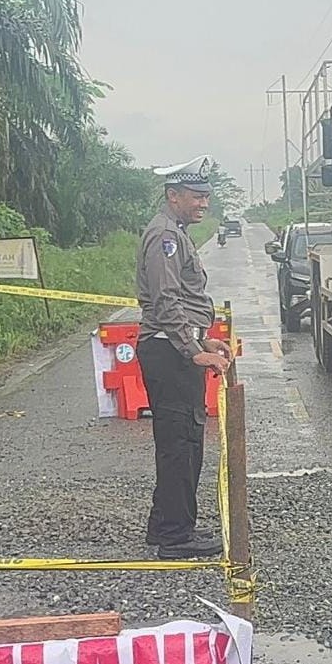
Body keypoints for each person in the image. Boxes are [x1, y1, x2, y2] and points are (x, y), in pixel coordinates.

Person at [137, 156, 231, 558]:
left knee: (185, 442)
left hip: (176, 346)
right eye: (196, 196)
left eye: (206, 196)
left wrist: (203, 340)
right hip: (169, 351)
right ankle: (176, 537)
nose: (203, 203)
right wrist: (193, 350)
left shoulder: (175, 231)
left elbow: (183, 301)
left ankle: (167, 525)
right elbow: (166, 300)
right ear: (172, 196)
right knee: (180, 444)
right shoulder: (165, 237)